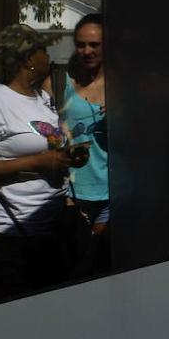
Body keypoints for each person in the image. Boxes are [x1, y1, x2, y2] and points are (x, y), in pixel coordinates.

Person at [0, 25, 88, 305]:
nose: (48, 55)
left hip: (52, 229)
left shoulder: (42, 99)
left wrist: (67, 155)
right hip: (13, 235)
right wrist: (39, 161)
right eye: (43, 49)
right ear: (28, 58)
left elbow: (48, 145)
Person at [61, 14, 110, 268]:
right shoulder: (62, 85)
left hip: (113, 194)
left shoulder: (124, 86)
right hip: (74, 195)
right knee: (75, 267)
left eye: (94, 45)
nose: (87, 51)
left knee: (100, 263)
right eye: (81, 45)